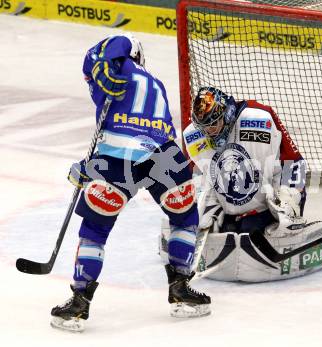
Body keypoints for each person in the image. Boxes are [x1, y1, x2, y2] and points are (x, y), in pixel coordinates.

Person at [50, 34, 210, 332]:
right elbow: (147, 127)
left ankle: (79, 301)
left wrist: (90, 167)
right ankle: (181, 288)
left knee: (95, 229)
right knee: (185, 216)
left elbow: (114, 43)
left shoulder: (110, 65)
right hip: (164, 153)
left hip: (117, 154)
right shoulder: (156, 83)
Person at [168, 87, 322, 282]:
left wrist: (289, 200)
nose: (209, 133)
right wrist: (204, 209)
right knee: (226, 232)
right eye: (204, 128)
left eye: (213, 125)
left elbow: (293, 162)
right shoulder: (193, 135)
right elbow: (200, 177)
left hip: (267, 205)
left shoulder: (260, 116)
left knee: (251, 232)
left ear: (226, 114)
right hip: (229, 209)